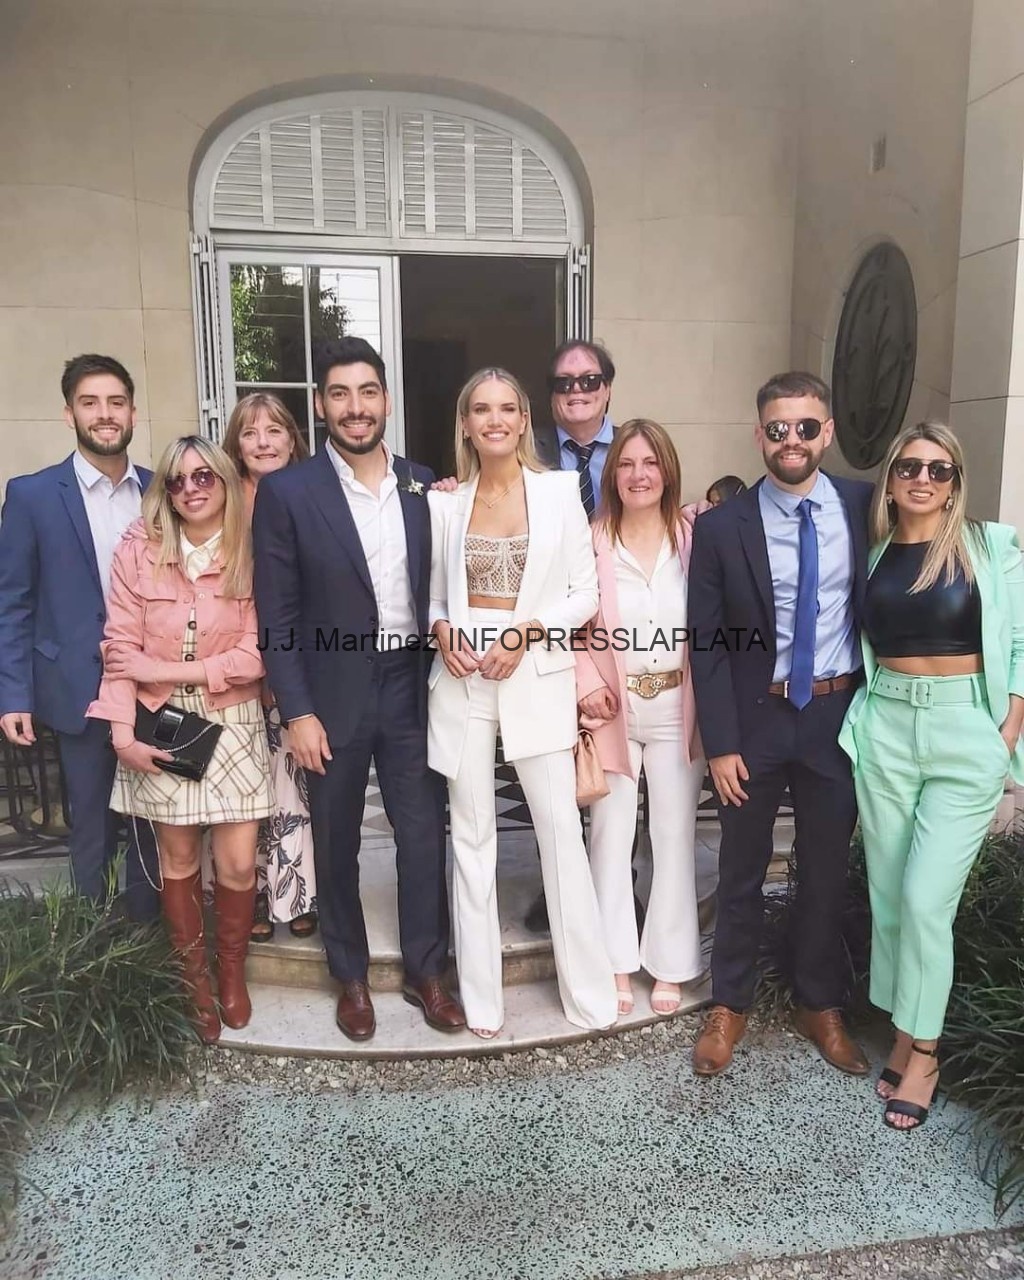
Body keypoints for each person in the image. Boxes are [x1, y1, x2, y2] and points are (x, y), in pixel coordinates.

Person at [253, 336, 465, 1041]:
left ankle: (427, 970)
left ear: (386, 400)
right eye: (339, 394)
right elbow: (277, 615)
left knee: (422, 833)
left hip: (411, 684)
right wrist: (297, 710)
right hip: (332, 690)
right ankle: (349, 974)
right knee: (336, 838)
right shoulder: (288, 493)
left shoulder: (423, 485)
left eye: (367, 391)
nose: (355, 407)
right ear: (321, 405)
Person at [839, 422, 1024, 1131]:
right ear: (891, 480)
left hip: (962, 730)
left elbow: (1020, 640)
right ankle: (904, 1030)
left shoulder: (989, 548)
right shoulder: (875, 554)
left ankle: (925, 1052)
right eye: (910, 467)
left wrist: (1007, 729)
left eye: (939, 470)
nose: (923, 478)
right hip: (887, 726)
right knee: (889, 895)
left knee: (924, 900)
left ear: (955, 483)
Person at [687, 370, 872, 1078]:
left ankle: (817, 1002)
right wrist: (721, 743)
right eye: (777, 428)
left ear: (827, 432)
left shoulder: (864, 506)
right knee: (740, 867)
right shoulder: (721, 526)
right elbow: (706, 642)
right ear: (759, 433)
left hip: (835, 716)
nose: (791, 439)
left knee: (825, 869)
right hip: (755, 719)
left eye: (805, 427)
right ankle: (729, 1002)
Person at [428, 366, 617, 1037]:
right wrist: (440, 627)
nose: (495, 420)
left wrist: (525, 631)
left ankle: (588, 991)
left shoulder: (560, 492)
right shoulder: (444, 503)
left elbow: (584, 594)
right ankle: (482, 999)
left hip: (534, 671)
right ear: (466, 423)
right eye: (481, 409)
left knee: (560, 831)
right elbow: (434, 594)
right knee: (470, 838)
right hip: (462, 678)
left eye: (507, 408)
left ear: (524, 418)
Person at [87, 436, 272, 1043]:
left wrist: (162, 669)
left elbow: (254, 656)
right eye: (176, 480)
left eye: (203, 477)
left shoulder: (253, 548)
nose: (191, 489)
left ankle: (232, 973)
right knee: (180, 860)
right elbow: (119, 645)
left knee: (238, 862)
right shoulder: (139, 551)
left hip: (233, 718)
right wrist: (121, 732)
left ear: (224, 480)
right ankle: (194, 980)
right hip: (159, 719)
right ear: (165, 491)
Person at [0, 354, 159, 920]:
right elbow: (13, 602)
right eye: (90, 403)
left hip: (153, 686)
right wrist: (14, 695)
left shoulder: (161, 491)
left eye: (116, 402)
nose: (105, 414)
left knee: (153, 826)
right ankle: (93, 944)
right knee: (91, 826)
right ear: (69, 414)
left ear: (133, 412)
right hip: (77, 686)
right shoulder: (33, 495)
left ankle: (148, 938)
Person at [576, 420, 706, 1018]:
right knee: (610, 835)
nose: (638, 475)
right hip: (613, 712)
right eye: (626, 464)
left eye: (650, 462)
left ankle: (671, 964)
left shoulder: (695, 538)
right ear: (612, 475)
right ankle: (613, 962)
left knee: (674, 835)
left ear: (668, 470)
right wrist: (586, 684)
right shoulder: (591, 541)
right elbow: (570, 624)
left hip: (679, 709)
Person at [222, 392, 316, 942]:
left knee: (291, 786)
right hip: (232, 669)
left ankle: (296, 893)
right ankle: (253, 892)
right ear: (236, 444)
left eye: (274, 430)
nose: (263, 442)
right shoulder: (219, 500)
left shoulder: (312, 493)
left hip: (295, 664)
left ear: (292, 438)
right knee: (242, 791)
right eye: (250, 432)